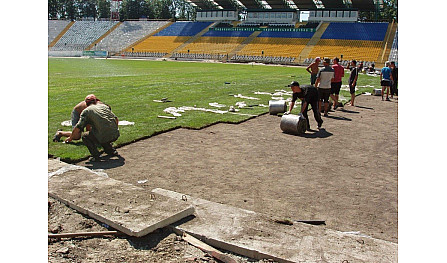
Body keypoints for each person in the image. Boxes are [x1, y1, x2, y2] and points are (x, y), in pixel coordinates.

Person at [65, 94, 120, 162]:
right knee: (99, 132)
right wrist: (114, 130)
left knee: (85, 136)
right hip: (116, 135)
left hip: (104, 135)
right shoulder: (104, 106)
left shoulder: (86, 111)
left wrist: (71, 138)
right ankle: (110, 150)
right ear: (96, 101)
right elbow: (116, 119)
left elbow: (78, 127)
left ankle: (96, 155)